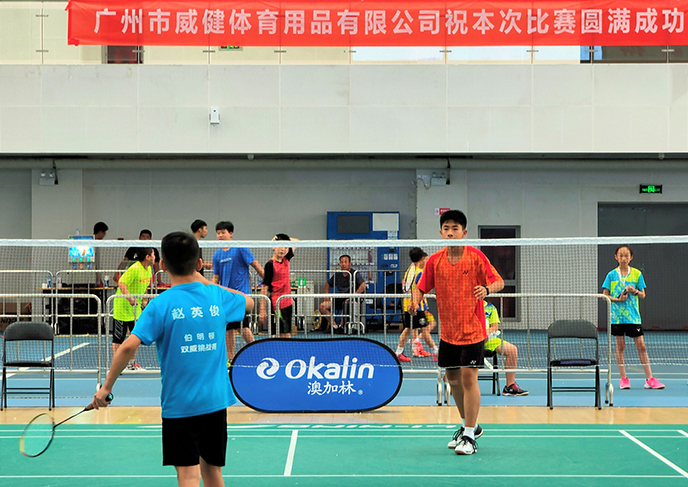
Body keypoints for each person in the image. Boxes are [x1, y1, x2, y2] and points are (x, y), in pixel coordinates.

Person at [92, 232, 254, 487]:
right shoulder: (217, 296)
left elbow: (127, 347)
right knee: (213, 472)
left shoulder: (160, 304)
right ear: (199, 263)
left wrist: (106, 387)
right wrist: (207, 283)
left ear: (163, 265)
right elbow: (250, 302)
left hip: (180, 405)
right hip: (215, 401)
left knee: (188, 476)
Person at [411, 210, 504, 455]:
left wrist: (487, 289)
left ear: (464, 233)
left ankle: (470, 437)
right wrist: (415, 301)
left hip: (473, 330)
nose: (451, 232)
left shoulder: (475, 257)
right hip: (448, 333)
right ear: (441, 233)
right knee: (452, 380)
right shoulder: (435, 261)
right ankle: (468, 426)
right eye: (446, 228)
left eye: (455, 228)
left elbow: (498, 281)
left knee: (468, 379)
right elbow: (420, 287)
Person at [602, 245, 664, 390]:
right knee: (620, 347)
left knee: (641, 346)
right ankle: (623, 379)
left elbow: (643, 295)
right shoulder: (611, 275)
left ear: (631, 257)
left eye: (626, 255)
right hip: (617, 318)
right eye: (621, 255)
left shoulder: (637, 274)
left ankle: (649, 379)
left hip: (633, 317)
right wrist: (618, 300)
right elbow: (604, 295)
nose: (623, 258)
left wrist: (634, 291)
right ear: (616, 257)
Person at [212, 221, 263, 362]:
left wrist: (266, 279)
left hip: (241, 296)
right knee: (229, 328)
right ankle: (230, 358)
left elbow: (255, 264)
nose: (220, 235)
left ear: (230, 233)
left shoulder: (240, 248)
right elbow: (216, 277)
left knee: (243, 326)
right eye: (218, 233)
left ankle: (257, 352)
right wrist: (210, 289)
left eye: (223, 232)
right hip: (226, 297)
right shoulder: (217, 255)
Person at [112, 247, 154, 370]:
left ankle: (132, 364)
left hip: (136, 309)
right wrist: (130, 298)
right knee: (118, 338)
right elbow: (121, 283)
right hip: (122, 308)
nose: (155, 258)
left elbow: (144, 285)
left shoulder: (149, 269)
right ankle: (117, 366)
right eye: (153, 255)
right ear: (147, 257)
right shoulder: (135, 268)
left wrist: (145, 298)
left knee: (136, 337)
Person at [396, 247, 438, 362]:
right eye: (426, 259)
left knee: (409, 329)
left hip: (408, 304)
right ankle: (436, 352)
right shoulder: (419, 273)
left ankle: (400, 353)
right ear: (422, 258)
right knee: (424, 329)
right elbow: (422, 289)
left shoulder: (410, 269)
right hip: (416, 306)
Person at [483, 300, 528, 396]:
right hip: (470, 340)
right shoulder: (464, 306)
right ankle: (453, 381)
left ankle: (510, 386)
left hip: (489, 340)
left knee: (512, 350)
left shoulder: (490, 307)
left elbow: (494, 327)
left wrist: (487, 332)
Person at [318, 254, 366, 333]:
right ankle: (334, 326)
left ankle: (342, 326)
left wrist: (353, 296)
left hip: (351, 300)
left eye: (345, 262)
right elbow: (328, 284)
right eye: (341, 262)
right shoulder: (337, 275)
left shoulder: (355, 273)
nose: (343, 264)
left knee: (346, 305)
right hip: (340, 298)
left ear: (349, 263)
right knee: (322, 306)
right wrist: (326, 296)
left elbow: (363, 285)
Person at [260, 234, 296, 338]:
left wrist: (282, 238)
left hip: (288, 303)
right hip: (278, 304)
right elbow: (264, 287)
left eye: (286, 247)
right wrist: (262, 309)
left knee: (285, 332)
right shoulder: (270, 265)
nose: (283, 249)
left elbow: (296, 241)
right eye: (280, 246)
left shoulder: (286, 259)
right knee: (282, 334)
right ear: (274, 247)